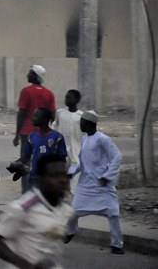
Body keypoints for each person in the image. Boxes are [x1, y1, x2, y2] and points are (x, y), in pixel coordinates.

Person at [0, 154, 73, 269]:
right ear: (40, 180)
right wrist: (27, 265)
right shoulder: (24, 208)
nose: (62, 180)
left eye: (65, 176)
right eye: (55, 176)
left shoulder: (65, 209)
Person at [65, 110, 125, 254]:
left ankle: (117, 245)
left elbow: (117, 156)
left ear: (89, 123)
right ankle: (70, 231)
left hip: (102, 184)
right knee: (74, 211)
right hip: (86, 185)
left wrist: (108, 176)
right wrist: (70, 173)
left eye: (82, 122)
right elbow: (81, 162)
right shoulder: (85, 139)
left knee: (113, 213)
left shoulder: (103, 139)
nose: (80, 124)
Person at [13, 65, 56, 193]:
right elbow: (53, 115)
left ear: (35, 76)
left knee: (25, 163)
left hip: (27, 133)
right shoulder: (49, 94)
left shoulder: (26, 91)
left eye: (29, 73)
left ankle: (26, 193)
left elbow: (21, 113)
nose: (27, 75)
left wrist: (17, 134)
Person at [53, 90, 83, 194]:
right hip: (61, 149)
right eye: (66, 97)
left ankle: (74, 197)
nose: (66, 99)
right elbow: (55, 125)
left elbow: (84, 134)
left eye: (69, 97)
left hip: (75, 150)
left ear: (76, 100)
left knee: (75, 174)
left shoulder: (81, 116)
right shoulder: (60, 112)